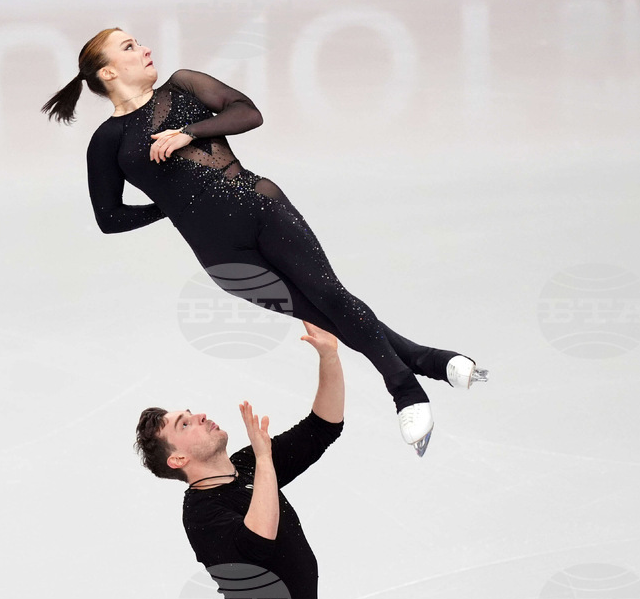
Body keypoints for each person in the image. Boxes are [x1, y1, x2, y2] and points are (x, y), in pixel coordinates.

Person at [44, 27, 488, 456]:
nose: (143, 49)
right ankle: (431, 360)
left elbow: (248, 113)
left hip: (259, 207)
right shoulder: (107, 140)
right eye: (129, 46)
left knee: (332, 297)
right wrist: (170, 206)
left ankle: (406, 391)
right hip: (222, 257)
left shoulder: (183, 85)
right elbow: (109, 218)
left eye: (139, 42)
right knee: (328, 315)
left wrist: (189, 133)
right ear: (107, 72)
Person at [135, 322, 345, 599]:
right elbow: (259, 543)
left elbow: (322, 428)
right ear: (177, 459)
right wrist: (264, 459)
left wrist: (329, 357)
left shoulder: (245, 466)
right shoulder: (201, 514)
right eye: (185, 424)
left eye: (191, 414)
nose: (200, 416)